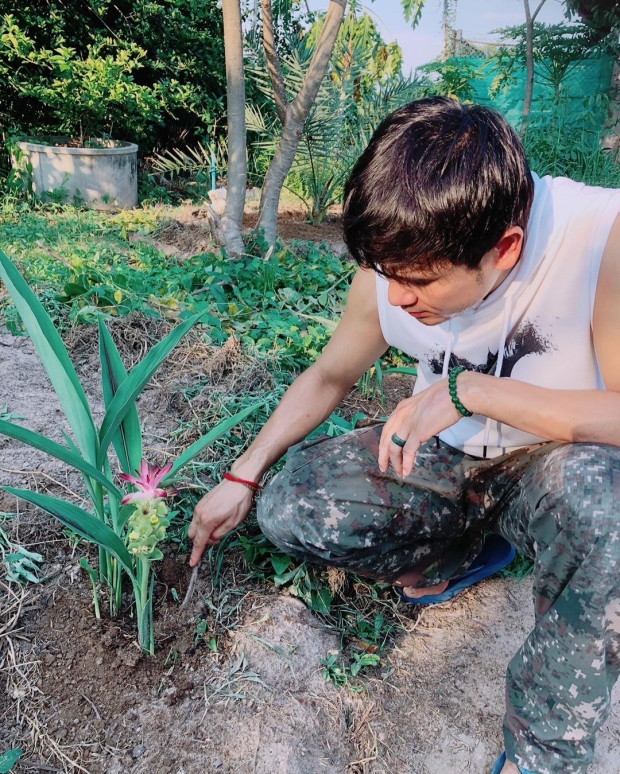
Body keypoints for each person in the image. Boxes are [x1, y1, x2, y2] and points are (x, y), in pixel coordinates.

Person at [188, 97, 620, 774]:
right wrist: (242, 475)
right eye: (385, 274)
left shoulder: (601, 237)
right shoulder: (394, 264)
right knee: (291, 504)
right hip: (449, 463)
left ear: (505, 249)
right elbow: (329, 376)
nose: (394, 298)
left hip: (554, 464)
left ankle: (543, 752)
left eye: (418, 282)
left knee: (604, 504)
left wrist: (470, 390)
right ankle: (468, 553)